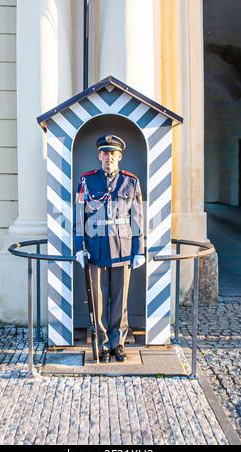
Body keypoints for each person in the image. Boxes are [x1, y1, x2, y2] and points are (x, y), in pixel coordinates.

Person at [74, 134, 145, 363]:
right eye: (105, 153)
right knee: (98, 299)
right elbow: (78, 216)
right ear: (99, 156)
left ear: (120, 156)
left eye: (113, 153)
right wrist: (79, 247)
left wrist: (139, 250)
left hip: (123, 249)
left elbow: (137, 219)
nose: (109, 157)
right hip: (96, 248)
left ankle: (118, 343)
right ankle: (103, 343)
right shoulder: (86, 181)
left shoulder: (131, 182)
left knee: (120, 299)